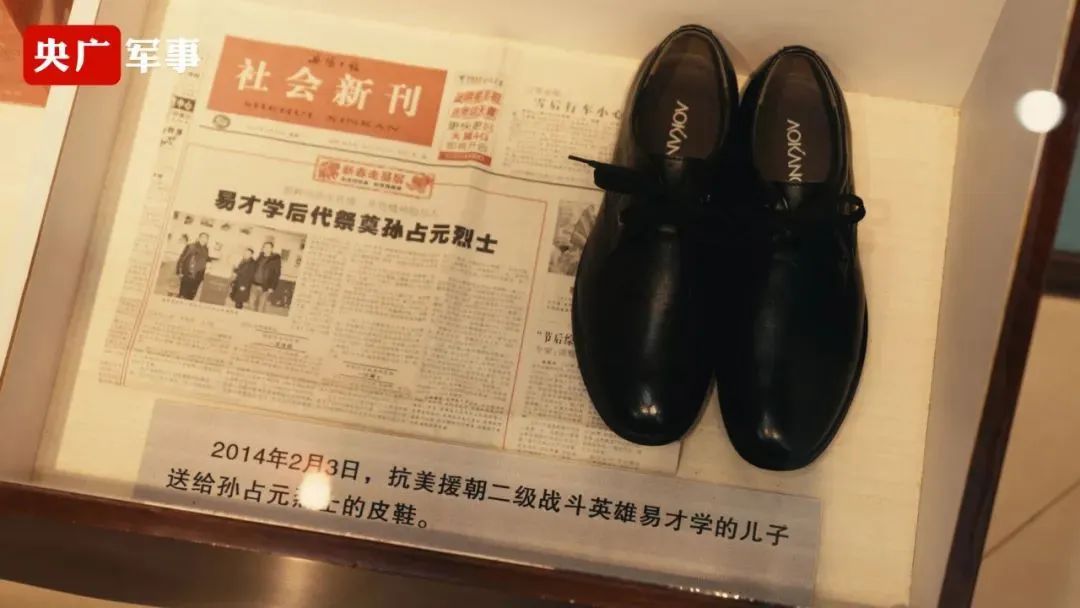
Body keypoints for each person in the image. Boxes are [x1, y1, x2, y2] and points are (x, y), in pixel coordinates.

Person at [177, 232, 210, 300]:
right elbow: (182, 258)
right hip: (188, 275)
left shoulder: (206, 249)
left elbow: (205, 259)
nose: (204, 239)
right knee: (183, 295)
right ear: (199, 238)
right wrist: (179, 272)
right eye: (203, 237)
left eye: (206, 238)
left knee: (191, 296)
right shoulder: (191, 246)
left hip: (198, 277)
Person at [250, 241, 282, 312]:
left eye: (268, 247)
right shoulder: (260, 256)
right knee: (251, 304)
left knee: (260, 306)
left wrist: (272, 287)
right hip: (254, 284)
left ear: (271, 249)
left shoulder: (275, 259)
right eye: (264, 247)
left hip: (265, 286)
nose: (266, 248)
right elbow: (254, 267)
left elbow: (277, 274)